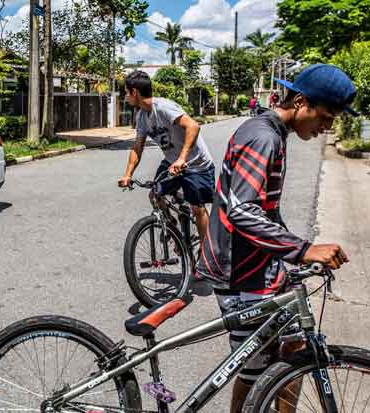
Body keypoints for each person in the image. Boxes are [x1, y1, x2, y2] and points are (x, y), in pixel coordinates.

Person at [196, 64, 354, 412]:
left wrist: (288, 257)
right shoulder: (263, 136)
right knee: (255, 371)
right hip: (240, 273)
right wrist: (303, 249)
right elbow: (242, 211)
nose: (327, 127)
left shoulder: (273, 133)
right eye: (325, 117)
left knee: (295, 355)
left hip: (260, 266)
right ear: (300, 102)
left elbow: (266, 209)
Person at [118, 70, 215, 245]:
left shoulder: (162, 107)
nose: (125, 97)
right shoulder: (141, 116)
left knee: (197, 208)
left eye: (126, 92)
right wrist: (128, 174)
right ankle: (171, 226)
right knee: (155, 194)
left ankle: (207, 253)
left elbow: (193, 126)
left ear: (135, 92)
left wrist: (182, 158)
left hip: (196, 163)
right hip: (172, 162)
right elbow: (137, 147)